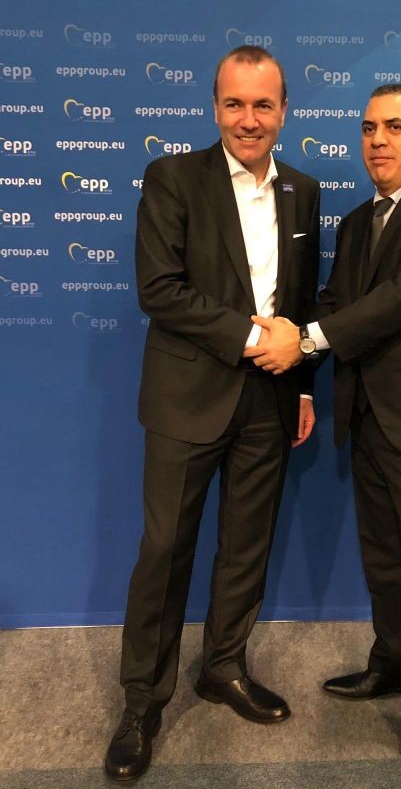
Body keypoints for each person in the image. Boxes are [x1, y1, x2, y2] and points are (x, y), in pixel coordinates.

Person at [246, 84, 401, 788]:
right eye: (369, 128)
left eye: (395, 128)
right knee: (384, 559)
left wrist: (304, 340)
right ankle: (392, 664)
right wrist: (291, 359)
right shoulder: (357, 223)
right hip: (369, 416)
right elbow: (332, 305)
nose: (378, 140)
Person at [104, 46, 320, 783]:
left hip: (269, 399)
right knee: (165, 551)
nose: (248, 120)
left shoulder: (303, 190)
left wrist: (303, 385)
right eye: (234, 104)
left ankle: (223, 666)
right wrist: (252, 338)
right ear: (215, 107)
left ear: (283, 111)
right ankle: (142, 704)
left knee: (246, 546)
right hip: (186, 397)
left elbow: (301, 300)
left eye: (262, 105)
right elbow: (160, 289)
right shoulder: (172, 178)